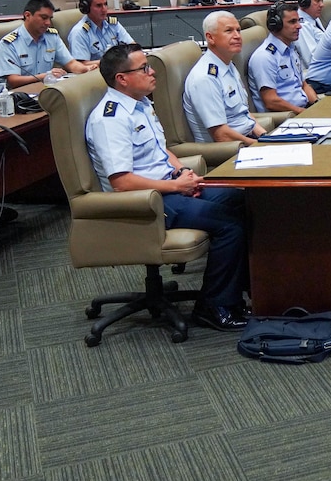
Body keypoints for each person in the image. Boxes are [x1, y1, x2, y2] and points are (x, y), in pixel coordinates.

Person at [86, 43, 250, 331]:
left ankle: (245, 289)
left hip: (169, 185)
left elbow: (161, 152)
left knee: (243, 199)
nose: (152, 73)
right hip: (147, 201)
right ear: (122, 78)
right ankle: (213, 307)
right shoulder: (110, 118)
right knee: (230, 225)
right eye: (144, 68)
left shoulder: (141, 103)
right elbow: (122, 183)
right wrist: (175, 187)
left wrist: (182, 172)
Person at [184, 11, 267, 145]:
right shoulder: (205, 78)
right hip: (228, 151)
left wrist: (265, 136)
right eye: (229, 31)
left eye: (238, 30)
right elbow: (221, 135)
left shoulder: (228, 64)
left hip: (248, 139)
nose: (237, 36)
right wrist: (258, 145)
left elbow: (243, 114)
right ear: (210, 38)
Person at [0, 0, 90, 88]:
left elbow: (70, 64)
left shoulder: (52, 37)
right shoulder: (9, 43)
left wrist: (86, 69)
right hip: (14, 96)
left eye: (50, 18)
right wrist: (45, 76)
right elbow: (13, 81)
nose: (48, 23)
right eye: (44, 17)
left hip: (42, 92)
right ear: (27, 15)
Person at [248, 4, 316, 114]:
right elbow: (271, 101)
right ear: (276, 25)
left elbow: (303, 85)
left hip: (302, 110)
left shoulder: (291, 49)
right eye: (292, 22)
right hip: (286, 117)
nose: (299, 26)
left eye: (298, 21)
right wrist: (303, 112)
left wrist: (317, 105)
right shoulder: (264, 57)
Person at [68, 0, 137, 62]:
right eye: (99, 6)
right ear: (86, 9)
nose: (104, 9)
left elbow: (132, 47)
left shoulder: (113, 24)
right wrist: (113, 62)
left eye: (105, 4)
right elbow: (82, 64)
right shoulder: (79, 32)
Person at [295, 0, 326, 70]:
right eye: (317, 1)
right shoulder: (301, 26)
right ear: (304, 2)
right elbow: (312, 61)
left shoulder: (314, 18)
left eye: (322, 1)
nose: (322, 5)